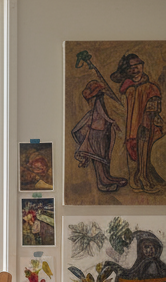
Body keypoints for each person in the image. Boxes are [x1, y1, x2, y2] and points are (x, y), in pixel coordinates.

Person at [110, 52, 165, 192]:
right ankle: (137, 179)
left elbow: (154, 109)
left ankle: (145, 178)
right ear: (127, 71)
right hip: (131, 126)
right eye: (131, 67)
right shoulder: (126, 89)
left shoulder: (151, 88)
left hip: (146, 125)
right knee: (133, 150)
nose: (135, 69)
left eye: (137, 65)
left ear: (142, 65)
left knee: (145, 151)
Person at [70, 80, 127, 192]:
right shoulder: (98, 100)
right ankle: (103, 182)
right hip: (98, 132)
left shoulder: (100, 99)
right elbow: (102, 113)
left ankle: (107, 177)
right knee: (99, 157)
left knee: (103, 156)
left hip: (101, 130)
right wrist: (112, 122)